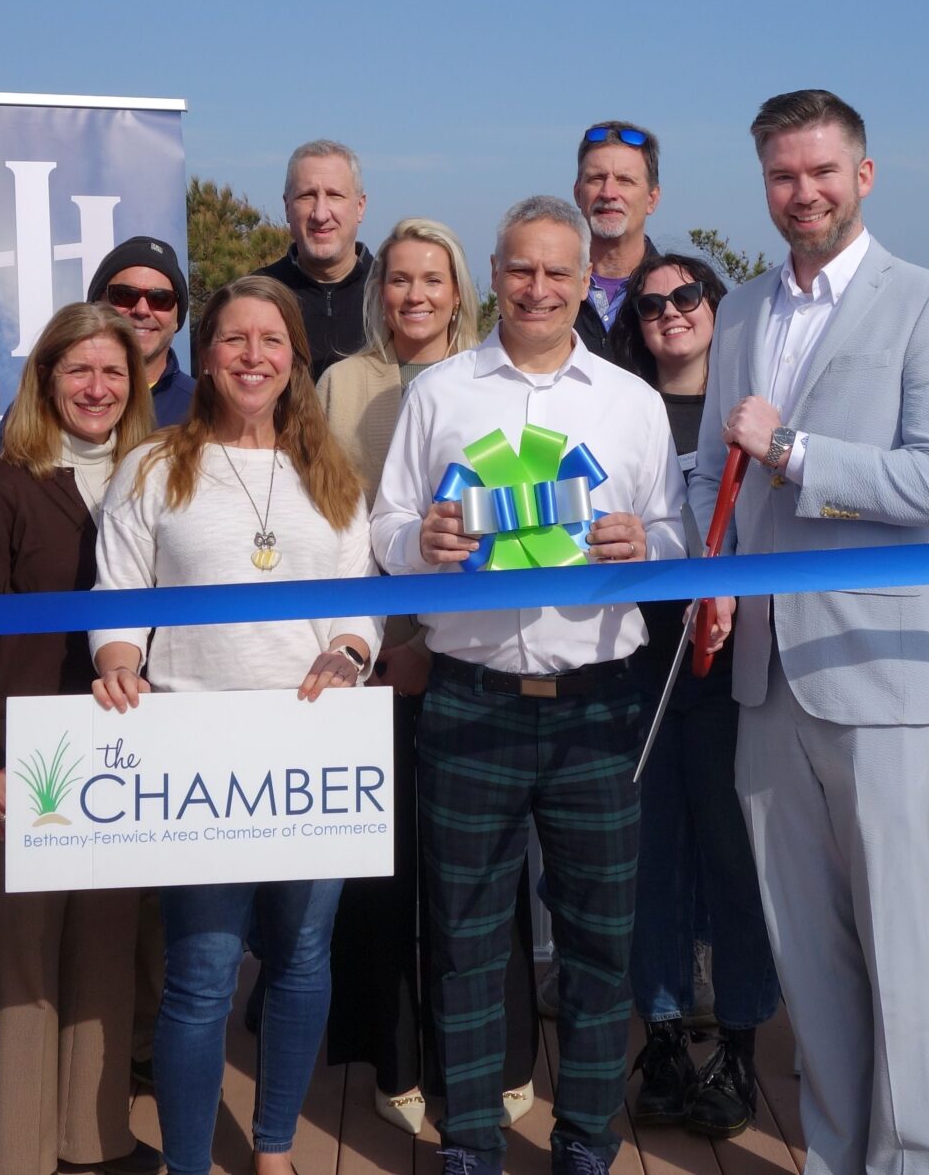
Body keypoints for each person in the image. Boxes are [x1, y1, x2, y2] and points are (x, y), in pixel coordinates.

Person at [692, 89, 929, 1175]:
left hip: (884, 681)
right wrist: (685, 548)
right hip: (765, 679)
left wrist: (797, 452)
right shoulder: (738, 315)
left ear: (864, 176)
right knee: (807, 964)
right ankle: (832, 1159)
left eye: (820, 172)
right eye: (781, 176)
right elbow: (712, 472)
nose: (800, 193)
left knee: (904, 963)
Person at [373, 196, 688, 1175]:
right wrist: (417, 542)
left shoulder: (628, 401)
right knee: (463, 940)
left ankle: (586, 1142)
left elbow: (677, 543)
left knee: (600, 944)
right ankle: (470, 1142)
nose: (539, 289)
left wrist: (649, 543)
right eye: (521, 270)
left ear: (578, 280)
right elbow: (382, 532)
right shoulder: (440, 394)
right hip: (469, 699)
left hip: (598, 701)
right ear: (495, 277)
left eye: (557, 273)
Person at [88, 276, 381, 1175]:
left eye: (271, 340)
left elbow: (359, 600)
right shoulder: (150, 466)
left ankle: (276, 1145)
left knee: (301, 956)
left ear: (295, 358)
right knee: (202, 974)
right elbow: (119, 593)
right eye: (233, 339)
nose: (253, 355)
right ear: (205, 354)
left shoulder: (330, 471)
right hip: (196, 747)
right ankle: (185, 1160)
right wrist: (116, 655)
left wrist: (352, 650)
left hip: (312, 743)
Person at [315, 221, 540, 1135]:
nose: (414, 295)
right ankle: (396, 1052)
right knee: (384, 863)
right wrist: (373, 645)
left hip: (468, 651)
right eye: (399, 278)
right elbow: (335, 525)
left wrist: (435, 643)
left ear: (460, 291)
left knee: (484, 868)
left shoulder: (489, 379)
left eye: (431, 279)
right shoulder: (341, 383)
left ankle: (501, 1048)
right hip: (367, 652)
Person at [0, 304, 162, 1170]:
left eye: (113, 372)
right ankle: (25, 1152)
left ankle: (94, 1140)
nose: (97, 388)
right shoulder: (5, 485)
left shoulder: (159, 477)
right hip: (30, 753)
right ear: (46, 381)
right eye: (79, 371)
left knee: (107, 950)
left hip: (127, 749)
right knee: (29, 962)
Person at [608, 252, 781, 1141]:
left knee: (734, 855)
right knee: (651, 858)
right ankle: (668, 1033)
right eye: (650, 303)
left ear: (714, 303)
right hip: (637, 657)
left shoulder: (746, 410)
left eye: (687, 295)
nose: (671, 312)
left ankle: (743, 1041)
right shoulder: (621, 407)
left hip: (730, 660)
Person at [253, 139, 373, 378]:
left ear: (360, 207)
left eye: (334, 195)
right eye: (307, 196)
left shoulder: (391, 294)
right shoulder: (255, 296)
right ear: (287, 208)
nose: (320, 214)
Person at [572, 120, 662, 355]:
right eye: (596, 178)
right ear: (578, 193)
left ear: (652, 199)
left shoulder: (682, 299)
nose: (609, 193)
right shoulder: (547, 291)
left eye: (625, 180)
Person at [89, 234, 196, 425]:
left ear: (177, 319)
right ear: (96, 303)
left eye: (161, 299)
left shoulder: (207, 410)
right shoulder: (53, 401)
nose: (142, 310)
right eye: (124, 295)